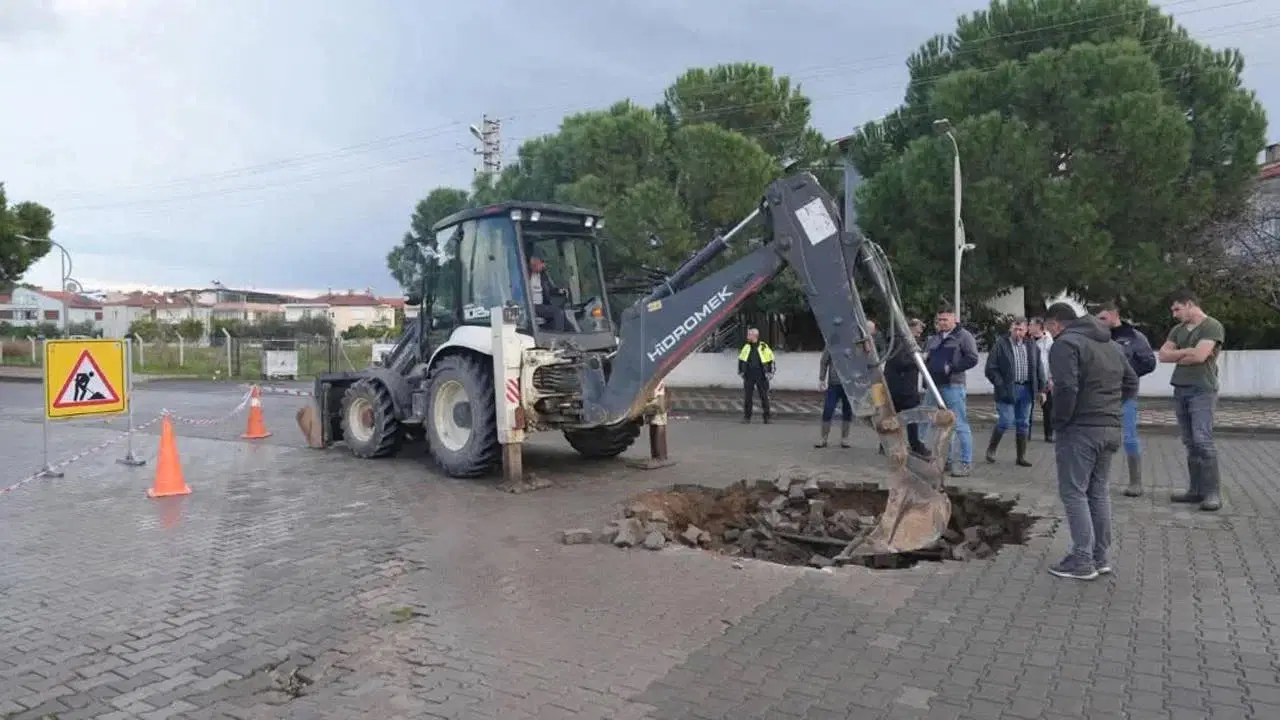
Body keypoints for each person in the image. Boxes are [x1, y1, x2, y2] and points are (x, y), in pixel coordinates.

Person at [1042, 302, 1138, 580]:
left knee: (1074, 492)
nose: (1049, 333)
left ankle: (1082, 559)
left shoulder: (1065, 345)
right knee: (1098, 492)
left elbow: (1067, 386)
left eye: (1049, 327)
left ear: (1057, 324)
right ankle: (1100, 556)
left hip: (1080, 429)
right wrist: (1111, 407)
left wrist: (1060, 420)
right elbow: (1131, 382)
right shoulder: (1111, 345)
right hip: (1109, 427)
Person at [1156, 289, 1226, 512]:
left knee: (1202, 440)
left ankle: (1212, 492)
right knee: (1189, 441)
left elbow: (1200, 356)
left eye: (1177, 309)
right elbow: (1163, 355)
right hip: (1181, 388)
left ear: (1189, 304)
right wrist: (1187, 353)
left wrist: (1183, 354)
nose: (1174, 314)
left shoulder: (1211, 326)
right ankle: (1196, 490)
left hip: (1202, 389)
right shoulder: (1177, 329)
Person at [1094, 301, 1158, 497]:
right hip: (1100, 395)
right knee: (1098, 437)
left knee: (1129, 437)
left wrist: (1127, 374)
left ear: (1115, 315)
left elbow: (1149, 363)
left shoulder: (1135, 337)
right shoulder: (1097, 337)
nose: (1101, 323)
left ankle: (1135, 482)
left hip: (1125, 395)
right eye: (1098, 320)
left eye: (1104, 318)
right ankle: (1096, 480)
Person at [922, 304, 980, 477]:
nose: (942, 322)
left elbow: (972, 358)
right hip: (934, 387)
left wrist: (953, 367)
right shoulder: (934, 338)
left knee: (959, 424)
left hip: (953, 386)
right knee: (928, 421)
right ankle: (941, 460)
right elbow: (927, 359)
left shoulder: (964, 336)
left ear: (954, 319)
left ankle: (965, 463)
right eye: (939, 319)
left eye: (946, 319)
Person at [983, 316, 1044, 467]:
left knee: (1023, 423)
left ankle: (1021, 456)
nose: (1018, 332)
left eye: (1021, 329)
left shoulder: (1032, 346)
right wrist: (1000, 385)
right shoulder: (1001, 345)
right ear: (1010, 329)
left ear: (1026, 330)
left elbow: (1038, 368)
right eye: (1015, 329)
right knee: (1005, 421)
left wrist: (1041, 389)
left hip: (1026, 389)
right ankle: (991, 449)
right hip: (1008, 388)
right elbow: (990, 368)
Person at [885, 317, 931, 457]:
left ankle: (888, 444)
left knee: (898, 417)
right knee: (910, 418)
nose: (920, 332)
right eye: (918, 328)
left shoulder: (905, 342)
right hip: (901, 388)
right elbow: (900, 363)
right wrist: (919, 360)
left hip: (904, 387)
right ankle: (914, 445)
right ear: (910, 328)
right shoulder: (900, 342)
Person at [814, 346, 852, 448]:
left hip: (849, 384)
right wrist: (822, 378)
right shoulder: (832, 343)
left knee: (847, 411)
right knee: (828, 409)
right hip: (834, 384)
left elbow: (860, 361)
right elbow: (824, 361)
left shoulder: (853, 343)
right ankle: (823, 438)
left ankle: (845, 438)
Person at [738, 327, 775, 424]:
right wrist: (741, 371)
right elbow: (741, 360)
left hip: (761, 374)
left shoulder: (763, 346)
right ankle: (747, 417)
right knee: (748, 397)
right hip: (749, 375)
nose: (747, 336)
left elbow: (771, 359)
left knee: (764, 396)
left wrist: (770, 372)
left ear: (755, 336)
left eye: (749, 334)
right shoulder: (746, 347)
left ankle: (767, 417)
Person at [1029, 318, 1055, 443]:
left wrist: (1051, 377)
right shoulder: (1027, 340)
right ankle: (1025, 433)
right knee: (1028, 406)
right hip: (1029, 377)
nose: (1029, 326)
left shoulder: (1049, 341)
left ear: (1038, 326)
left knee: (1048, 407)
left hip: (1045, 377)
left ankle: (1049, 434)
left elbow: (1051, 360)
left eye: (1031, 325)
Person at [527, 254, 568, 332]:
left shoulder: (543, 275)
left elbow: (550, 289)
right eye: (541, 263)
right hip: (532, 305)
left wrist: (560, 291)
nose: (543, 265)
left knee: (564, 312)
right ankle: (558, 335)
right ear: (534, 264)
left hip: (542, 305)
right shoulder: (526, 275)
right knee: (557, 312)